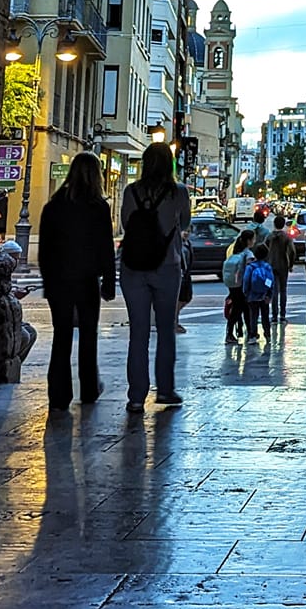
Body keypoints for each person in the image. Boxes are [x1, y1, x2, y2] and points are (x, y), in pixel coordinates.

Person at [36, 152, 116, 412]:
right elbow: (106, 248)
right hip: (86, 279)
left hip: (59, 280)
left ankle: (58, 395)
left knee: (62, 336)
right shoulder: (98, 208)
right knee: (88, 335)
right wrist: (109, 281)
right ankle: (89, 388)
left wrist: (48, 281)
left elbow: (45, 250)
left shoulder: (54, 206)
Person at [118, 141, 192, 412]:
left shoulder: (131, 191)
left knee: (138, 333)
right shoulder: (179, 192)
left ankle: (136, 396)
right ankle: (166, 390)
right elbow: (184, 223)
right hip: (167, 266)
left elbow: (127, 223)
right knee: (165, 331)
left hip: (133, 268)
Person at [223, 227, 255, 343]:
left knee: (241, 308)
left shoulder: (235, 252)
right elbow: (249, 271)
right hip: (242, 285)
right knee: (240, 309)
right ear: (248, 241)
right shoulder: (248, 254)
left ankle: (249, 332)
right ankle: (233, 334)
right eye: (253, 239)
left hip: (233, 285)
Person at [242, 243, 275, 341]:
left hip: (252, 296)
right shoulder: (267, 267)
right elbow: (271, 281)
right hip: (264, 295)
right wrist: (270, 294)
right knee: (265, 315)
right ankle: (267, 334)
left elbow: (246, 281)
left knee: (253, 316)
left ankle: (253, 335)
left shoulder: (250, 267)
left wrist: (246, 293)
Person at [267, 213, 295, 323]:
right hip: (283, 265)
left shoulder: (269, 236)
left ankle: (274, 316)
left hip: (271, 264)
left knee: (274, 291)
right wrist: (291, 264)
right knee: (283, 291)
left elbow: (264, 248)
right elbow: (292, 251)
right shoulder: (286, 237)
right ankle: (282, 316)